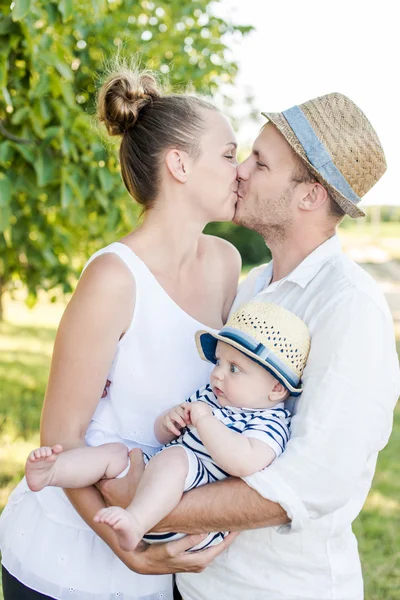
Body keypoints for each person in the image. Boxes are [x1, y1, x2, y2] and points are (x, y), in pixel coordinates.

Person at [103, 93, 400, 600]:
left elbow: (312, 483)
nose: (238, 171)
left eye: (259, 163)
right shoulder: (253, 287)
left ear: (309, 195)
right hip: (195, 586)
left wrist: (145, 505)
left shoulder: (351, 308)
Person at [0, 65, 242, 600]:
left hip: (158, 558)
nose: (242, 170)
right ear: (179, 164)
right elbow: (59, 441)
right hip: (64, 564)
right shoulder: (113, 278)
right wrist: (125, 549)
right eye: (228, 155)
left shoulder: (225, 263)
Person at [25, 302, 311, 555]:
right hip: (158, 478)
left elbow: (242, 462)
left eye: (234, 369)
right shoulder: (211, 396)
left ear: (276, 388)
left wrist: (205, 421)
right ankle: (54, 472)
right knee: (115, 453)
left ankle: (135, 523)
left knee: (176, 459)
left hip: (190, 512)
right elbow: (163, 436)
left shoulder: (269, 423)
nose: (218, 373)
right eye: (219, 362)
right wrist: (168, 421)